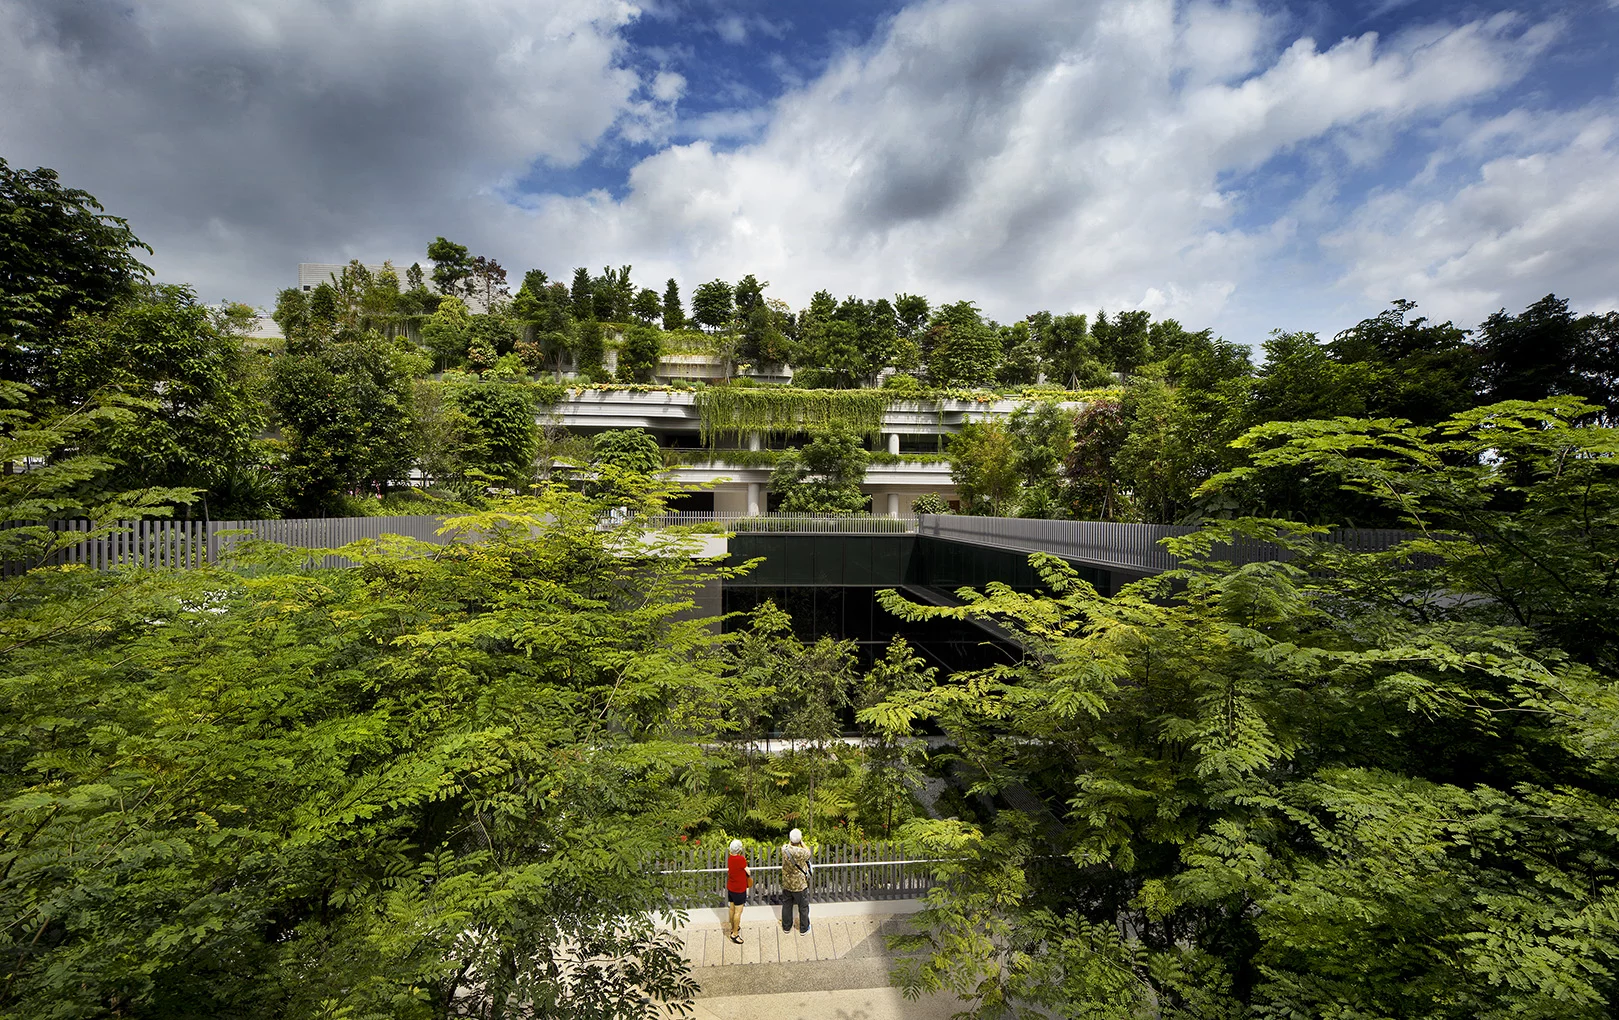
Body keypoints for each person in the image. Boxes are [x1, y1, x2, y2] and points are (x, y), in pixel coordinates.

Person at [780, 828, 813, 935]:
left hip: (787, 883)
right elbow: (809, 853)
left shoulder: (784, 849)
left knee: (786, 905)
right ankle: (804, 928)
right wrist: (801, 842)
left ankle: (786, 927)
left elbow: (788, 845)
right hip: (799, 884)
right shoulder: (801, 852)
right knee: (803, 907)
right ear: (799, 840)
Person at [725, 839, 750, 944]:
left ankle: (732, 927)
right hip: (739, 889)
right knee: (738, 912)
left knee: (732, 909)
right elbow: (747, 871)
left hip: (731, 887)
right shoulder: (741, 859)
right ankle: (734, 934)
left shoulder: (730, 858)